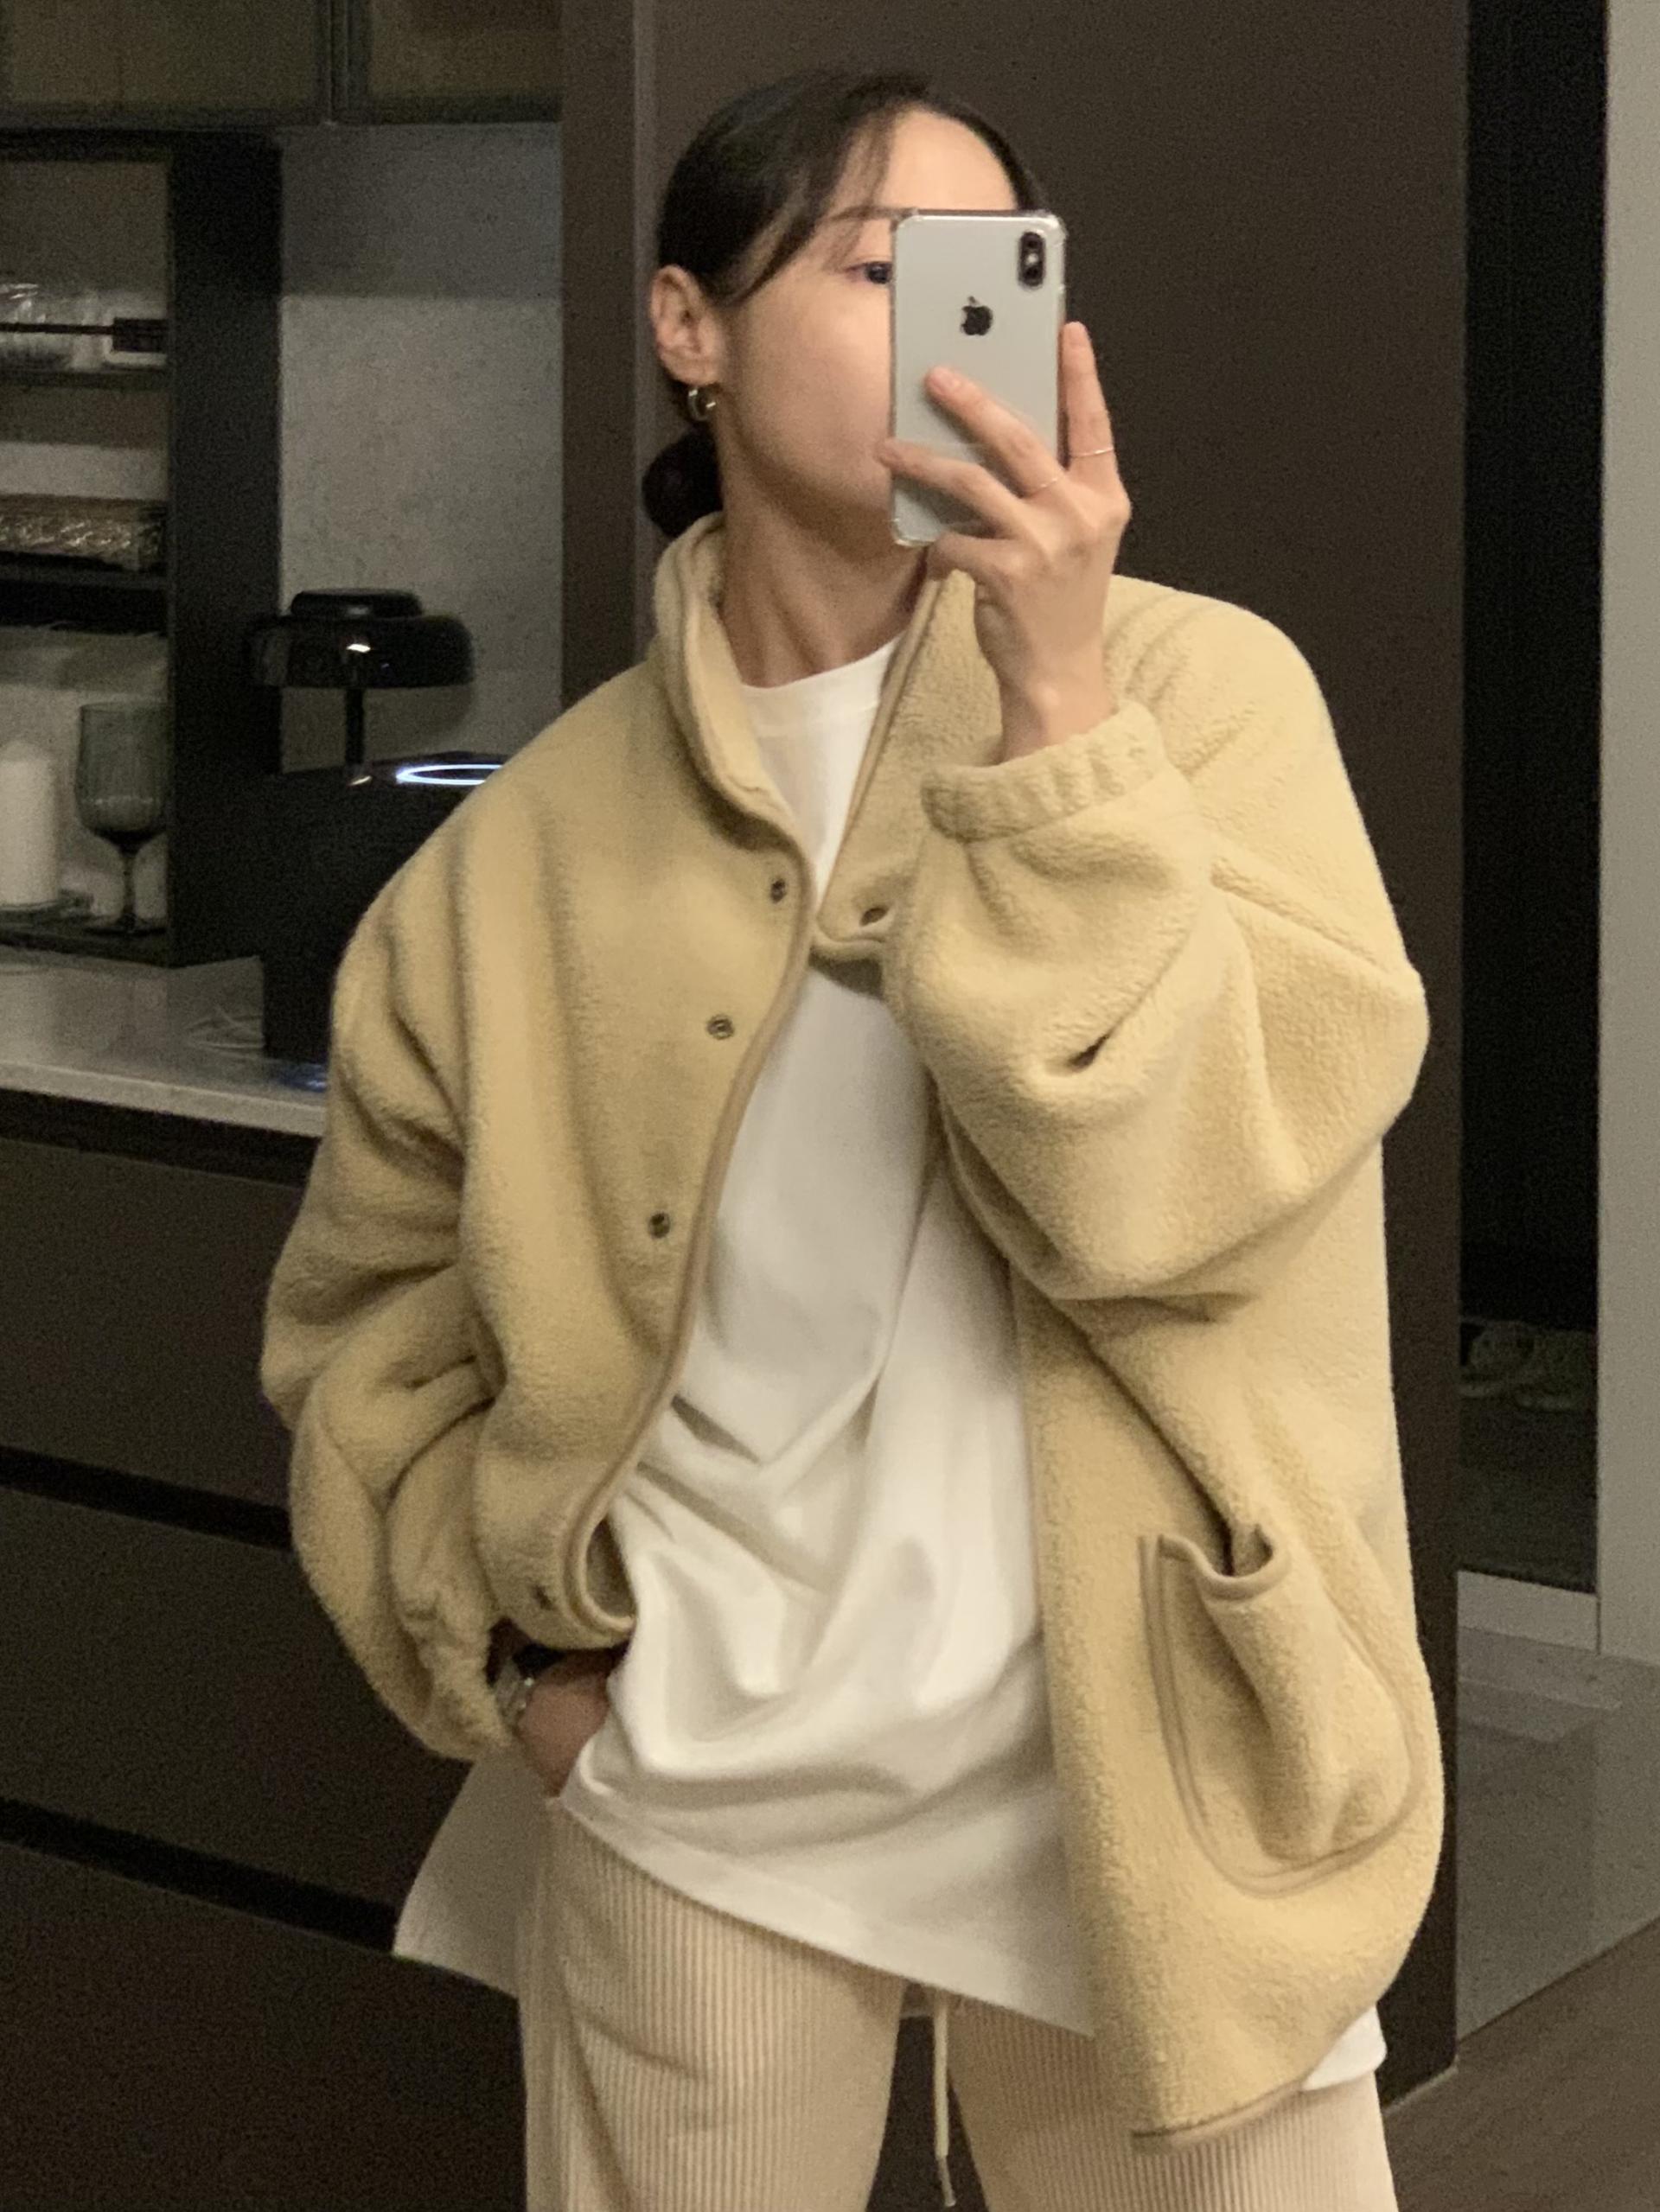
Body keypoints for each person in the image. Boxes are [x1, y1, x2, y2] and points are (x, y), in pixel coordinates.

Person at [260, 64, 1441, 2212]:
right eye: (880, 267)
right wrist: (529, 1668)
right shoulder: (522, 851)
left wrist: (1059, 709)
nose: (943, 328)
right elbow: (371, 1328)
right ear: (687, 326)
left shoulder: (1204, 705)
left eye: (991, 274)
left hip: (1158, 1781)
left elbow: (1167, 1187)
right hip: (703, 1800)